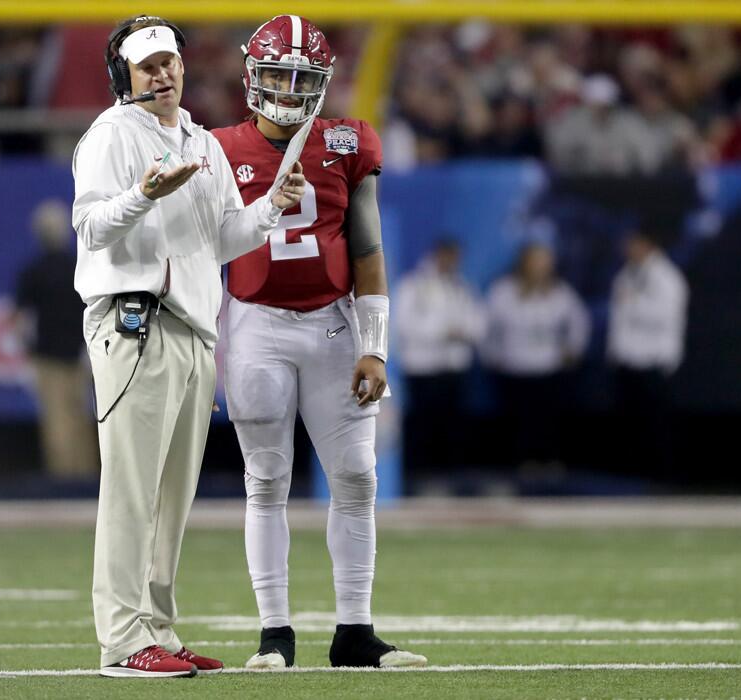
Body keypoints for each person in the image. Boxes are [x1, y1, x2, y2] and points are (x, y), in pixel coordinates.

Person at [71, 15, 305, 679]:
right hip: (135, 321)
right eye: (149, 67)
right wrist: (143, 194)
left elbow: (222, 238)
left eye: (169, 62)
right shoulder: (110, 135)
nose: (165, 74)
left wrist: (271, 210)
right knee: (131, 489)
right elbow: (90, 227)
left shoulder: (200, 140)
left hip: (195, 329)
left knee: (172, 496)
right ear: (125, 76)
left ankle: (157, 630)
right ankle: (121, 640)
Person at [211, 15, 427, 670]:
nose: (285, 87)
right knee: (267, 479)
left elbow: (367, 248)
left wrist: (376, 345)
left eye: (300, 78)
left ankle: (354, 632)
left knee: (357, 478)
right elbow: (203, 251)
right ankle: (274, 633)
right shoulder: (217, 148)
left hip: (334, 324)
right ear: (253, 74)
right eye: (276, 73)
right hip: (256, 323)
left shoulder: (348, 141)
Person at [483, 242, 590, 472]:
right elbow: (487, 327)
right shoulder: (504, 292)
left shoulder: (560, 293)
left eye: (545, 263)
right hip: (514, 369)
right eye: (536, 261)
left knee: (548, 420)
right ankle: (520, 464)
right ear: (524, 263)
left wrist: (573, 350)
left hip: (548, 368)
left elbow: (579, 323)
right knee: (518, 421)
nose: (541, 268)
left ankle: (549, 462)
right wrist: (492, 356)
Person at [14, 199, 98, 481]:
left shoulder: (33, 271)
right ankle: (86, 475)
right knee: (81, 415)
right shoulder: (79, 267)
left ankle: (62, 477)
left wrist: (27, 348)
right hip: (79, 350)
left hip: (48, 354)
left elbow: (19, 317)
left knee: (56, 419)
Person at [394, 239, 488, 473]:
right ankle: (420, 472)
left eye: (455, 257)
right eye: (447, 256)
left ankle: (450, 472)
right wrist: (442, 332)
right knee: (423, 422)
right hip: (422, 367)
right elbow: (402, 324)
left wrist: (464, 332)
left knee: (454, 423)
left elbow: (478, 322)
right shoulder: (412, 286)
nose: (451, 262)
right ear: (436, 255)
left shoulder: (463, 286)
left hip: (454, 367)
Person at [608, 230, 688, 470]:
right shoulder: (625, 276)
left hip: (654, 362)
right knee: (631, 423)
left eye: (633, 243)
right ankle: (634, 472)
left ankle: (660, 474)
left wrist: (634, 302)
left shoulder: (667, 278)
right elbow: (618, 320)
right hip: (627, 361)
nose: (627, 248)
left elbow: (665, 316)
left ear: (648, 245)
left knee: (656, 423)